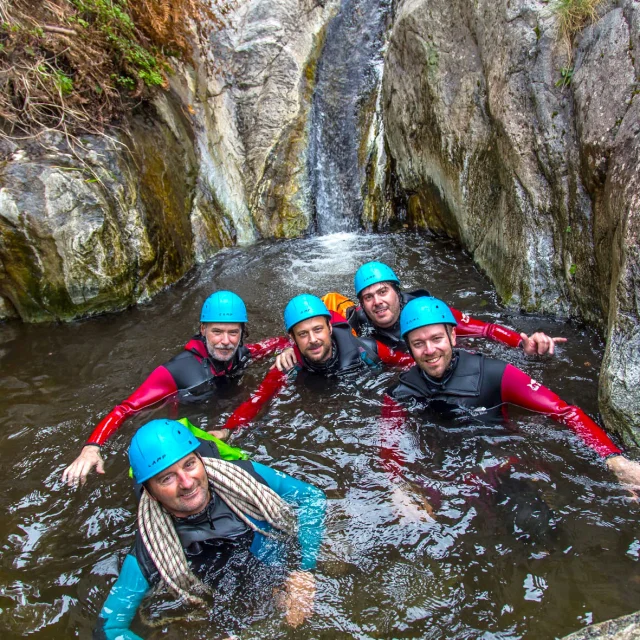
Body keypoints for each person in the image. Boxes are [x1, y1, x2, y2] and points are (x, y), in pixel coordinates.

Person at [95, 418, 326, 639]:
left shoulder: (246, 475)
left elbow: (312, 498)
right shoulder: (148, 550)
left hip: (282, 565)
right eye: (167, 478)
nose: (187, 482)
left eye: (189, 464)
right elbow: (109, 629)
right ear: (150, 491)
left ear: (200, 458)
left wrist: (304, 571)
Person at [380, 296, 640, 491]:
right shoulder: (400, 391)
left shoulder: (495, 374)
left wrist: (614, 459)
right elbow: (388, 444)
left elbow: (564, 412)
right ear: (410, 349)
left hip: (499, 462)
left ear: (453, 337)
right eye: (418, 343)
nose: (429, 350)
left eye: (437, 339)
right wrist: (398, 488)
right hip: (443, 471)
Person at [62, 291, 292, 486]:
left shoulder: (241, 354)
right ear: (203, 330)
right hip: (185, 423)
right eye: (217, 332)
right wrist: (92, 446)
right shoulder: (176, 371)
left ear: (242, 333)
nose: (226, 341)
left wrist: (289, 348)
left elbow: (276, 343)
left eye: (233, 333)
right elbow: (125, 409)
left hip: (221, 418)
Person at [215, 294, 414, 436]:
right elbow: (258, 399)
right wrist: (227, 429)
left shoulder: (366, 349)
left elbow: (406, 363)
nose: (313, 339)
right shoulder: (286, 366)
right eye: (303, 334)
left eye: (318, 329)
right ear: (292, 338)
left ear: (329, 327)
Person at [325, 261, 566, 355]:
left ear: (397, 292)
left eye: (382, 292)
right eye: (368, 297)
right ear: (362, 304)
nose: (377, 302)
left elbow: (487, 331)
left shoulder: (428, 310)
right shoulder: (357, 323)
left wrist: (521, 343)